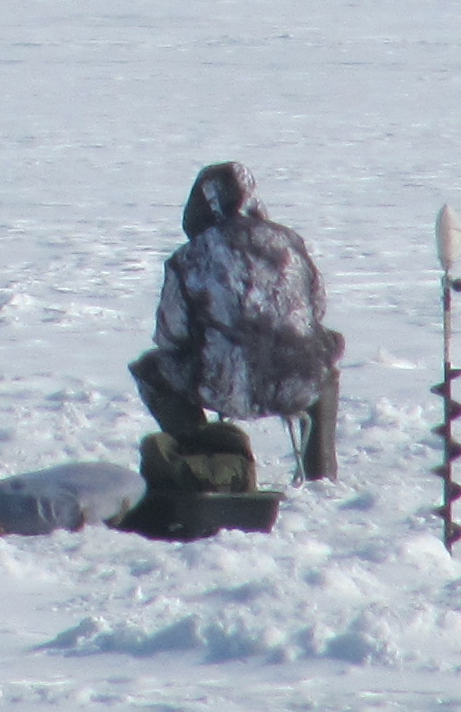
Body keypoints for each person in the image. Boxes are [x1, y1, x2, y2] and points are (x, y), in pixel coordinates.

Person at [133, 162, 342, 485]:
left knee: (151, 370)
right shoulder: (290, 244)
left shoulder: (189, 257)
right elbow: (316, 311)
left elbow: (171, 335)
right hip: (298, 384)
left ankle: (211, 462)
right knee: (321, 363)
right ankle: (321, 470)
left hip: (223, 386)